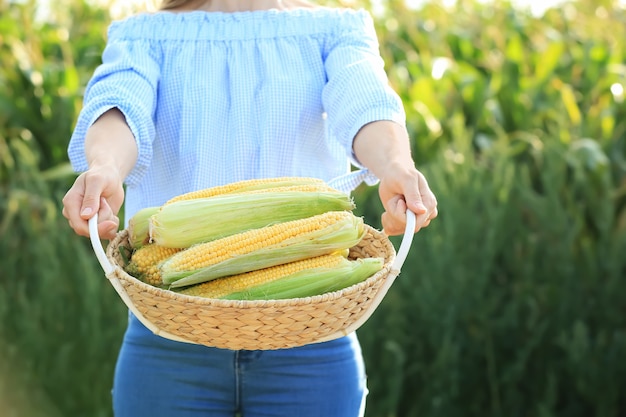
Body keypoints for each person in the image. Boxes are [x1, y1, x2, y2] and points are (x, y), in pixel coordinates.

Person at [62, 0, 438, 416]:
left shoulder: (332, 29)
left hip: (312, 336)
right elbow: (119, 106)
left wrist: (395, 165)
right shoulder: (147, 36)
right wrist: (106, 167)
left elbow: (365, 103)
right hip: (170, 333)